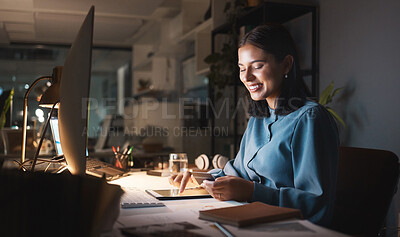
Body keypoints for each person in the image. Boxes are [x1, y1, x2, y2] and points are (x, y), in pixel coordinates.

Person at [170, 24, 339, 227]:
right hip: (252, 221)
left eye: (257, 66)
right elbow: (238, 172)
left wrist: (252, 192)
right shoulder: (259, 118)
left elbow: (316, 204)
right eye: (242, 68)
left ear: (286, 64)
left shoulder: (310, 118)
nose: (247, 77)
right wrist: (200, 177)